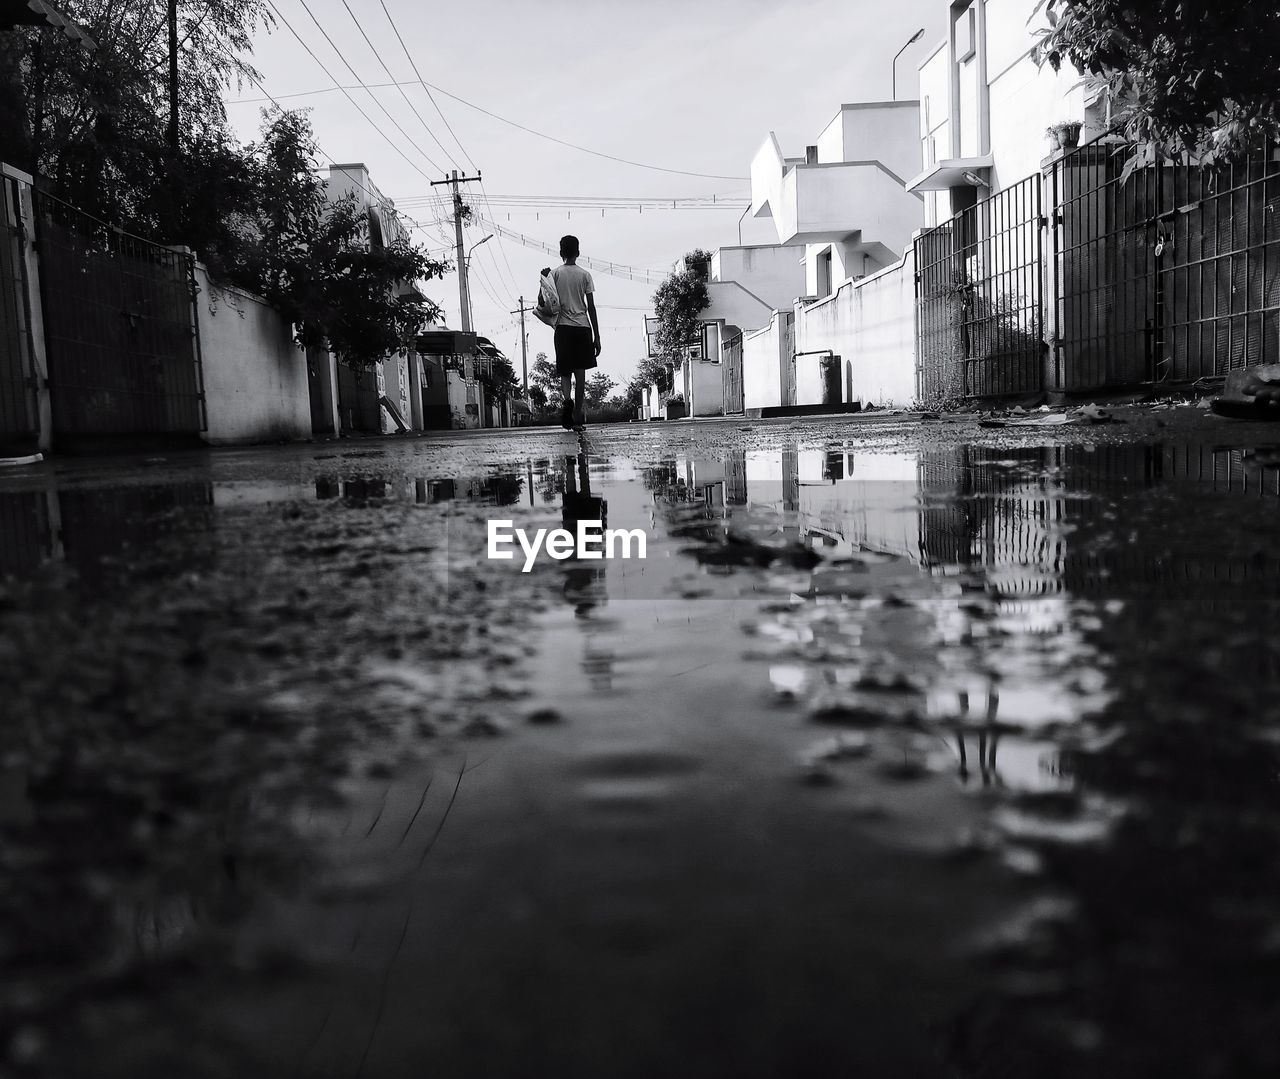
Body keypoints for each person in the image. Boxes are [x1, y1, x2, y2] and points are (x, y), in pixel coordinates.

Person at [545, 235, 601, 428]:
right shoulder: (585, 275)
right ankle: (577, 416)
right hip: (582, 328)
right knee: (580, 375)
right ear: (578, 252)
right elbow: (591, 307)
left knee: (565, 372)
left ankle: (566, 399)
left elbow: (544, 301)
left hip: (562, 329)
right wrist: (597, 336)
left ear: (561, 252)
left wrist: (543, 279)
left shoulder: (554, 274)